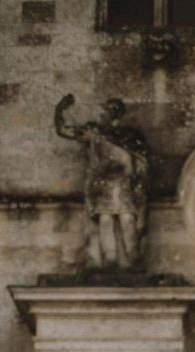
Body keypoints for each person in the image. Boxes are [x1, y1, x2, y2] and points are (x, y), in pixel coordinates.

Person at [54, 94, 149, 269]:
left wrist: (136, 177)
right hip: (102, 183)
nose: (110, 113)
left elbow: (140, 161)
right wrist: (60, 108)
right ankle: (110, 259)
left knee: (127, 218)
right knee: (105, 219)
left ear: (120, 113)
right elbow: (63, 129)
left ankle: (133, 257)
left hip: (123, 182)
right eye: (109, 109)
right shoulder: (96, 132)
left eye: (114, 109)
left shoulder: (129, 134)